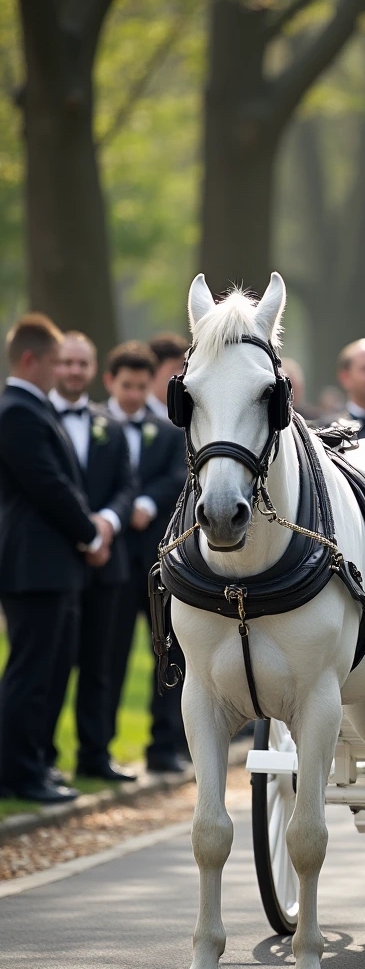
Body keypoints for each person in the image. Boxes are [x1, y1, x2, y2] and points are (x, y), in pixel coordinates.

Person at [0, 315, 115, 803]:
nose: (57, 371)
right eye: (52, 361)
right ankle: (17, 773)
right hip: (34, 565)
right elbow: (47, 485)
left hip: (51, 564)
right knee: (31, 672)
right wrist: (91, 534)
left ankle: (35, 765)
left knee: (48, 671)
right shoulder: (17, 411)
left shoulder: (29, 407)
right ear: (30, 360)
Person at [46, 332, 137, 782]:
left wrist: (107, 523)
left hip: (108, 563)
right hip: (55, 559)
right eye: (66, 363)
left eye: (81, 364)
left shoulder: (110, 426)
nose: (73, 371)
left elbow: (126, 486)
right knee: (51, 664)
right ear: (52, 365)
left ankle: (95, 755)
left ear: (93, 370)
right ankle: (41, 757)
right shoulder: (36, 420)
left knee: (103, 664)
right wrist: (84, 532)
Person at [104, 342, 189, 773]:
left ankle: (164, 744)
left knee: (168, 650)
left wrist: (149, 504)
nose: (135, 393)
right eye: (127, 385)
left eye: (142, 384)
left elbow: (177, 476)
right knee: (109, 653)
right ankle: (98, 747)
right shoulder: (98, 426)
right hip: (113, 560)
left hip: (156, 558)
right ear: (111, 383)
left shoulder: (168, 431)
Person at [146, 333, 188, 421]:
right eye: (176, 368)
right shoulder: (138, 416)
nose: (183, 375)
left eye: (185, 368)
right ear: (154, 370)